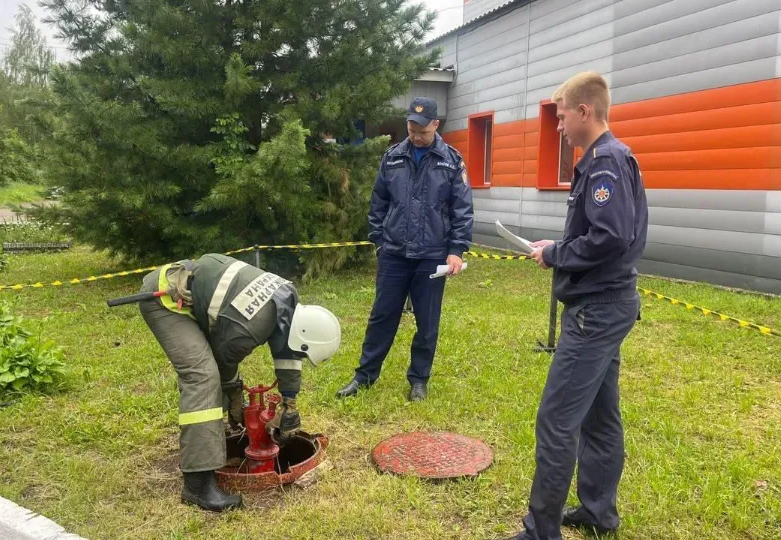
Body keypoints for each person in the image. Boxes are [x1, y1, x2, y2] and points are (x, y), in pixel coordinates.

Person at [500, 72, 648, 540]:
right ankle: (599, 512)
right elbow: (604, 232)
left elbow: (611, 236)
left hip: (596, 311)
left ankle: (540, 531)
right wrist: (559, 244)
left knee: (557, 420)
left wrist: (557, 254)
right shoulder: (607, 158)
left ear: (585, 111)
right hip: (609, 303)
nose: (558, 126)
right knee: (601, 416)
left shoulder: (604, 162)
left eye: (561, 115)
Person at [137, 254, 341, 512]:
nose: (299, 357)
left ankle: (208, 441)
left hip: (192, 287)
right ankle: (197, 484)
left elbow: (288, 353)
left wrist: (290, 404)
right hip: (166, 298)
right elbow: (224, 368)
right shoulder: (246, 329)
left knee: (210, 377)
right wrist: (235, 400)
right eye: (303, 352)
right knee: (203, 376)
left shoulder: (288, 301)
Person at [336, 96, 473, 402]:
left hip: (432, 255)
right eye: (411, 128)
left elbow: (462, 209)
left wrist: (456, 250)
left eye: (422, 130)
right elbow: (378, 203)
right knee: (382, 316)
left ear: (436, 125)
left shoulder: (452, 161)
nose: (415, 134)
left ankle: (419, 380)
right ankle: (364, 376)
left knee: (427, 322)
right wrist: (380, 241)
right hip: (394, 254)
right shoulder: (393, 157)